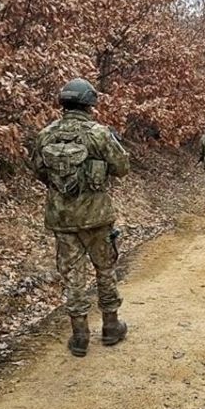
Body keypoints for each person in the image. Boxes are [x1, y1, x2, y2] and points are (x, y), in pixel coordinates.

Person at [32, 78, 131, 357]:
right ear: (90, 103)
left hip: (62, 219)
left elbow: (39, 172)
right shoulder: (99, 134)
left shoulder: (46, 134)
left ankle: (79, 336)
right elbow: (122, 168)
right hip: (97, 217)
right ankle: (111, 327)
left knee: (73, 276)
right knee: (105, 268)